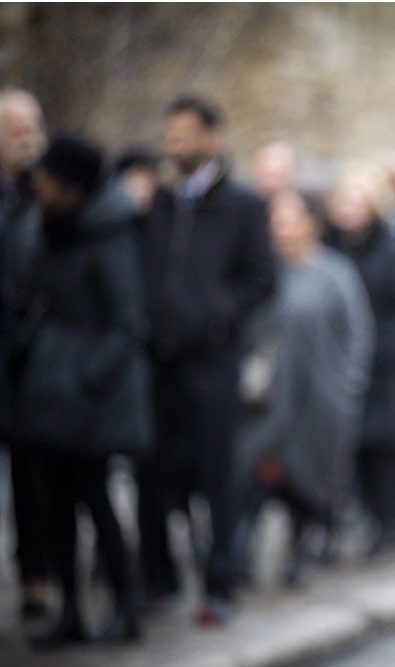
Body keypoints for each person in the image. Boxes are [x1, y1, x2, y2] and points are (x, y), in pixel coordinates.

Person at [137, 96, 275, 626]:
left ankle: (220, 583)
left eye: (185, 132)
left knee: (219, 479)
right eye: (169, 133)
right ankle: (159, 579)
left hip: (213, 367)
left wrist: (220, 317)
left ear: (211, 137)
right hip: (162, 363)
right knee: (153, 472)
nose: (174, 142)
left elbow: (262, 280)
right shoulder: (162, 202)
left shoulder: (242, 203)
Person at [13, 135, 151, 647]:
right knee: (57, 509)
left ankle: (126, 607)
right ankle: (72, 611)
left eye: (47, 177)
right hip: (50, 390)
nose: (39, 186)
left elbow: (126, 323)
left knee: (96, 502)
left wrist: (82, 377)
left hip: (90, 397)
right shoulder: (47, 227)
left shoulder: (110, 234)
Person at [238, 188, 373, 584]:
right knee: (255, 475)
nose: (280, 229)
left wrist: (347, 388)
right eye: (274, 221)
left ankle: (302, 548)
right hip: (266, 402)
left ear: (310, 224)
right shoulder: (264, 274)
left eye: (289, 220)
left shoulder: (335, 274)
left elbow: (358, 335)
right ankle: (242, 554)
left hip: (320, 401)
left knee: (308, 480)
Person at [323, 165, 395, 556]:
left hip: (383, 367)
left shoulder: (388, 248)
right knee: (350, 448)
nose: (347, 209)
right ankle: (353, 516)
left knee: (384, 451)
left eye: (356, 201)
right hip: (337, 366)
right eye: (342, 201)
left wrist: (385, 351)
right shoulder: (327, 248)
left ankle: (388, 523)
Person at [0, 88, 51, 620]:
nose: (27, 135)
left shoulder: (49, 194)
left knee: (34, 475)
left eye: (33, 123)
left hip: (35, 356)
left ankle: (37, 573)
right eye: (16, 126)